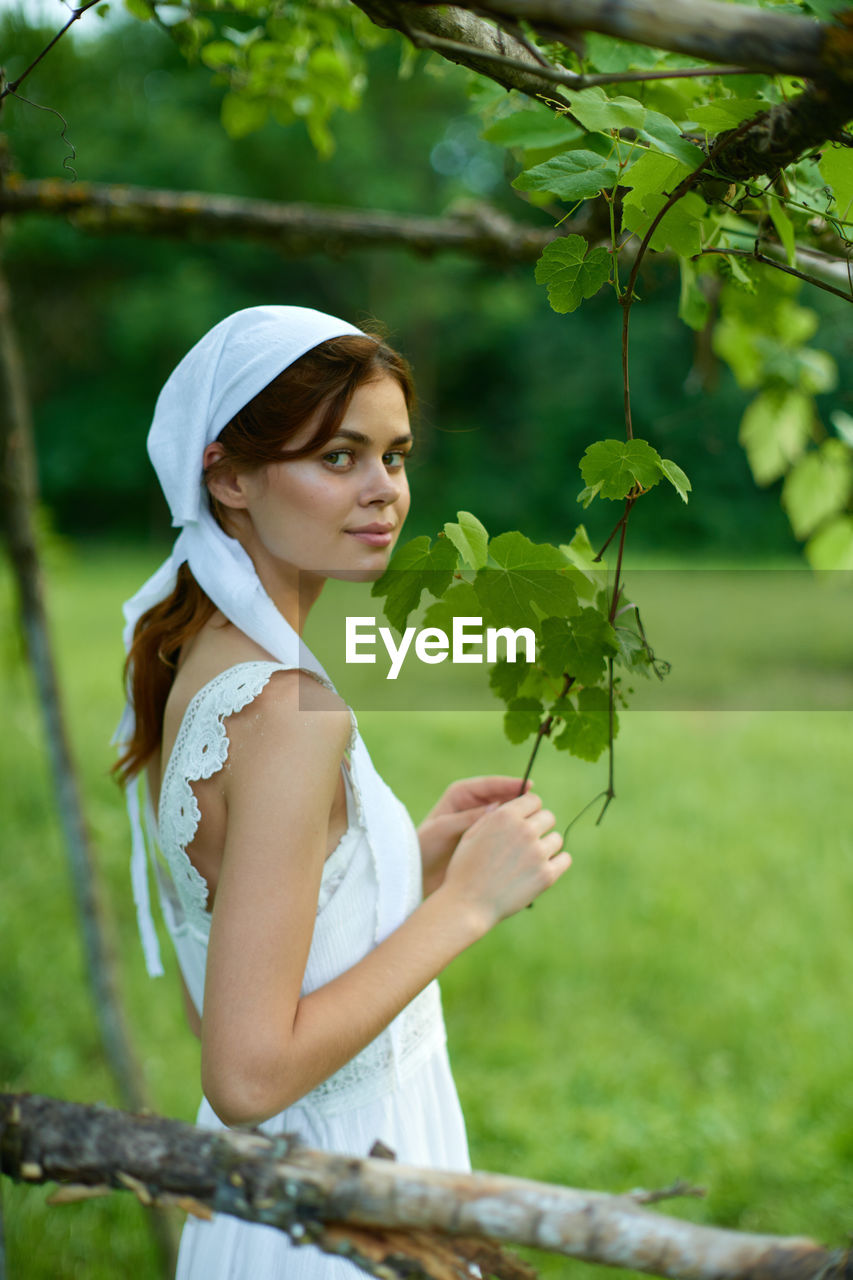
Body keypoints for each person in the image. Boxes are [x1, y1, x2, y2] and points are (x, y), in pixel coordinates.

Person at [116, 304, 570, 1278]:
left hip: (268, 1195)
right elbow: (243, 1069)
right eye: (337, 457)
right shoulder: (288, 711)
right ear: (228, 476)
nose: (383, 492)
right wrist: (465, 903)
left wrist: (403, 850)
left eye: (395, 456)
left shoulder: (197, 657)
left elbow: (234, 971)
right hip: (332, 1206)